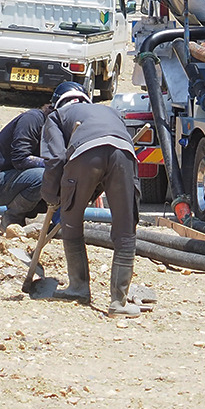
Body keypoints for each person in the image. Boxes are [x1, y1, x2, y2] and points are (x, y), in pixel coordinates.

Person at [39, 82, 143, 315]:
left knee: (72, 221)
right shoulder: (109, 110)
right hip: (124, 154)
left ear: (58, 101)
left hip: (86, 153)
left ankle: (78, 287)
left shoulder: (56, 117)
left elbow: (55, 159)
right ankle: (118, 302)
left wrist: (51, 196)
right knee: (126, 228)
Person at [0, 99, 50, 231]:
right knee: (45, 175)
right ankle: (12, 219)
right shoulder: (32, 120)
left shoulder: (59, 132)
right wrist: (54, 165)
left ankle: (36, 221)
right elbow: (21, 159)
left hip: (18, 180)